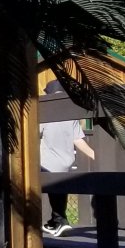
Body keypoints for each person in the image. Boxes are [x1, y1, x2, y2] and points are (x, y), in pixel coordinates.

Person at [40, 82, 97, 237]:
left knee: (51, 192)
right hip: (66, 161)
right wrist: (95, 155)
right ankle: (54, 222)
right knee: (59, 192)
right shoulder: (70, 115)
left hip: (47, 162)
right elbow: (78, 140)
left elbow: (33, 135)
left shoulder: (44, 114)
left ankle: (61, 222)